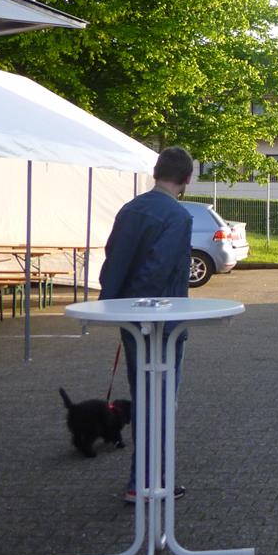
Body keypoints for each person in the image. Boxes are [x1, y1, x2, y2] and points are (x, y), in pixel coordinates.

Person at [98, 145, 195, 503]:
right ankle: (149, 481)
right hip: (161, 323)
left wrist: (118, 305)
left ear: (156, 172)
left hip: (128, 318)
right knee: (161, 402)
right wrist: (145, 312)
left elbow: (112, 261)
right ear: (186, 178)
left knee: (142, 397)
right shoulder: (178, 216)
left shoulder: (130, 209)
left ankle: (142, 478)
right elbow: (159, 269)